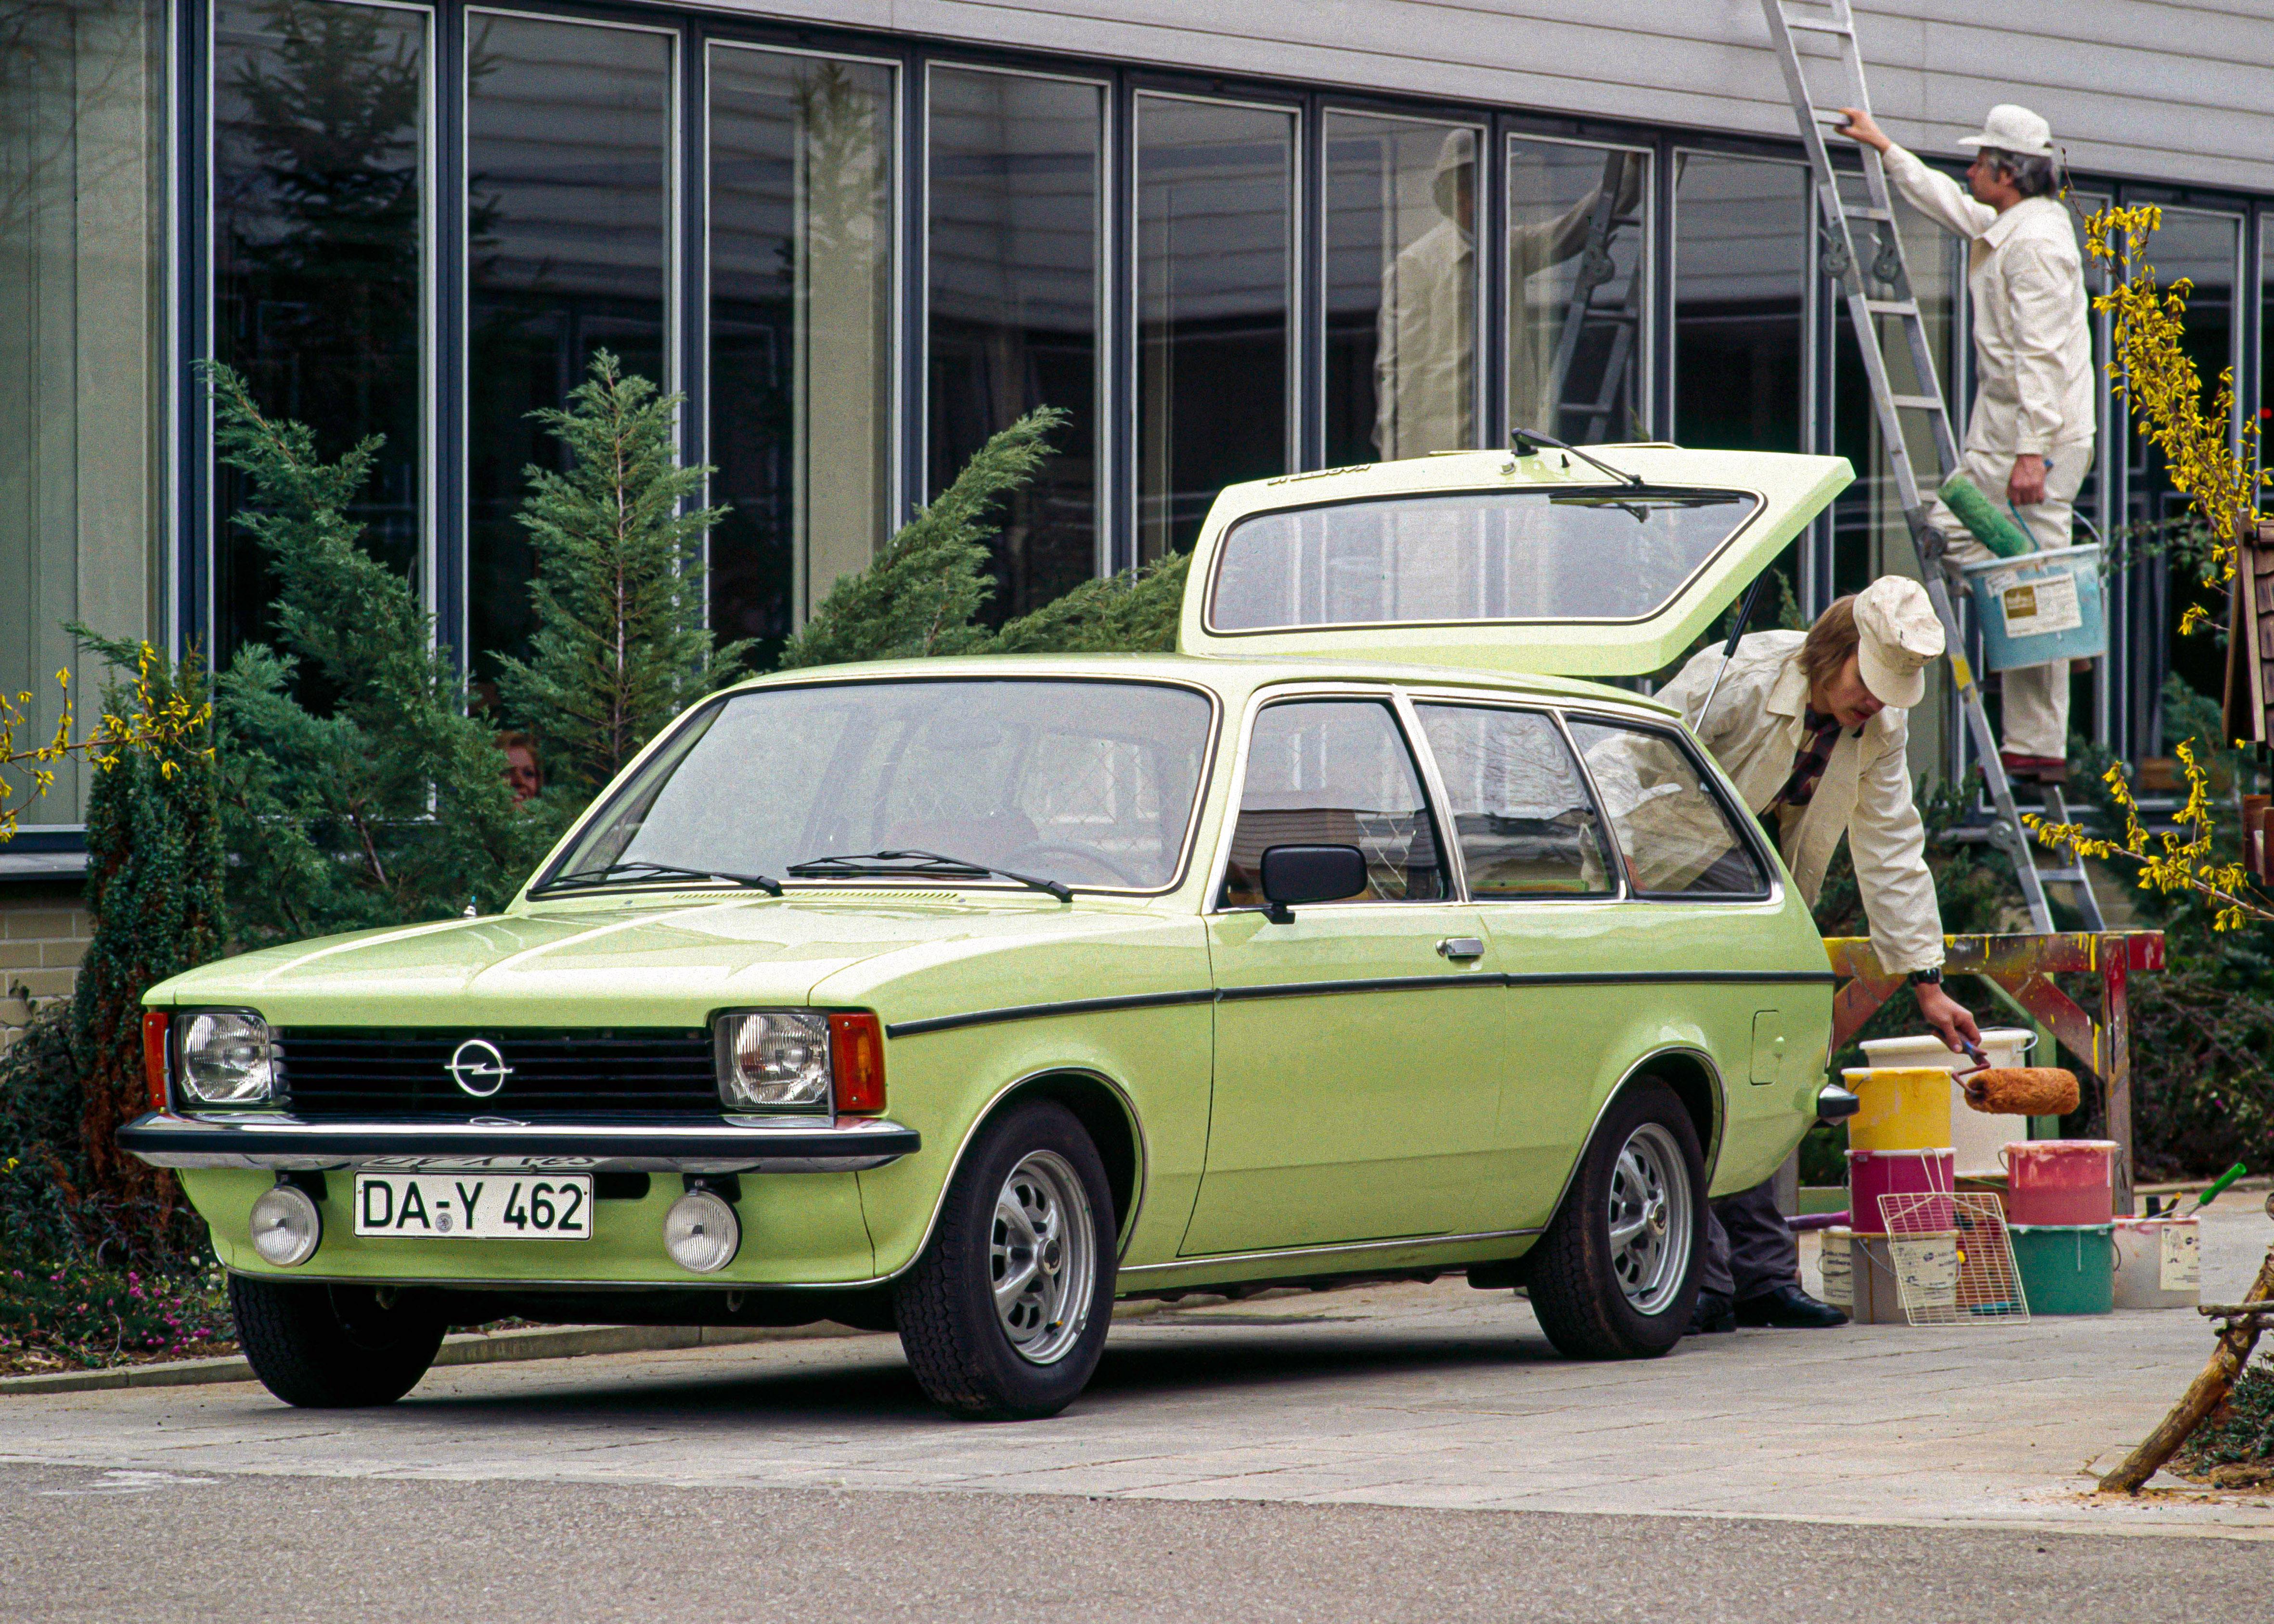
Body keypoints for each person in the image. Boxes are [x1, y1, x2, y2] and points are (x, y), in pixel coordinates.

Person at [1653, 577, 1983, 1332]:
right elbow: (1626, 764)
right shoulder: (1735, 680)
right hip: (1670, 885)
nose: (1875, 702)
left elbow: (1893, 848)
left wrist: (1927, 982)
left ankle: (1763, 1277)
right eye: (1867, 684)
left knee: (1764, 1067)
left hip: (1761, 900)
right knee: (1690, 1070)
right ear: (1833, 653)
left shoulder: (1878, 727)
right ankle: (1698, 1279)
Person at [1836, 103, 2095, 785]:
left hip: (2031, 437)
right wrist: (1888, 149)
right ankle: (2041, 719)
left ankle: (2044, 720)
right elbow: (1952, 205)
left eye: (1982, 160)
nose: (1972, 169)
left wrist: (2034, 452)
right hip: (2011, 434)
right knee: (2026, 577)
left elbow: (2041, 354)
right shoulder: (2018, 225)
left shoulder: (2036, 245)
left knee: (2017, 573)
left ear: (2009, 172)